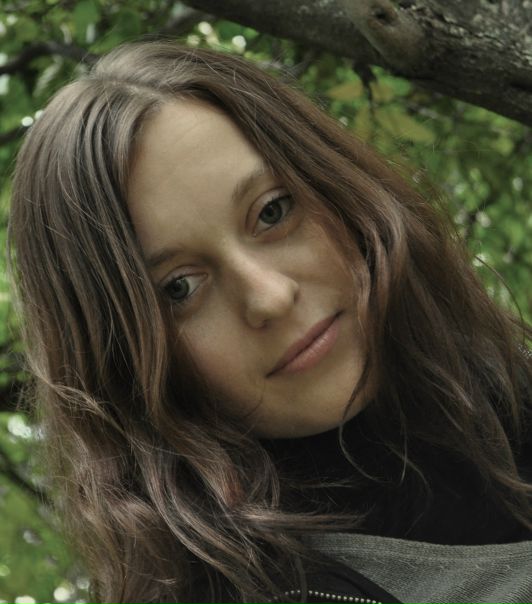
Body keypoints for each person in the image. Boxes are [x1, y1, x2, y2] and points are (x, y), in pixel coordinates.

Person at [7, 41, 532, 604]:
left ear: (336, 185)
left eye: (272, 211)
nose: (272, 297)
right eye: (179, 288)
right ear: (125, 366)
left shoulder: (506, 391)